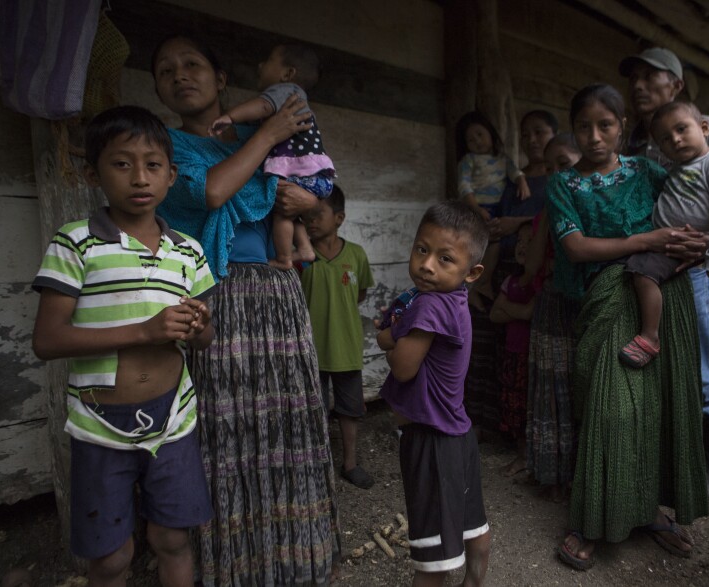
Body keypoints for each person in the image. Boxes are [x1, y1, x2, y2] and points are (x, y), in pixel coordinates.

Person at [151, 35, 340, 585]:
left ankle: (293, 556)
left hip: (275, 293)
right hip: (215, 297)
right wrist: (268, 133)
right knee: (223, 433)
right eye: (165, 71)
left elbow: (311, 189)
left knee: (285, 425)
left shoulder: (267, 137)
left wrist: (313, 203)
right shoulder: (165, 147)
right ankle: (232, 565)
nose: (180, 75)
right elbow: (212, 192)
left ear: (221, 78)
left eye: (192, 64)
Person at [31, 105, 216, 586]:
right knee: (111, 559)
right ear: (93, 172)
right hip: (100, 426)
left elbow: (205, 337)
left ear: (171, 176)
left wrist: (199, 328)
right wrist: (143, 332)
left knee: (173, 540)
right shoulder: (76, 244)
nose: (140, 177)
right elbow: (47, 341)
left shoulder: (188, 251)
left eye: (153, 165)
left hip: (175, 419)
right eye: (121, 163)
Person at [549, 84, 709, 570]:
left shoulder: (648, 170)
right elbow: (575, 248)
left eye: (606, 125)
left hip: (664, 293)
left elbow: (693, 209)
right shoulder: (564, 184)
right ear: (573, 129)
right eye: (584, 126)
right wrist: (646, 239)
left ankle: (650, 510)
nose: (595, 136)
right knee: (610, 409)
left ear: (621, 127)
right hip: (605, 297)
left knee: (661, 406)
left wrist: (699, 243)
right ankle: (592, 518)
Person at [620, 46, 709, 499]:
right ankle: (673, 464)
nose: (640, 86)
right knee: (667, 364)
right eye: (635, 79)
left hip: (696, 269)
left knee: (705, 366)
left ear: (678, 86)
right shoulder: (637, 141)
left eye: (652, 77)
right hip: (657, 264)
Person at [377, 201, 492, 586]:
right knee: (471, 522)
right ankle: (475, 582)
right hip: (457, 433)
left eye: (445, 259)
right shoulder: (451, 298)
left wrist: (390, 336)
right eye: (422, 250)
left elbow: (402, 366)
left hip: (431, 441)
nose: (427, 265)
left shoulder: (428, 305)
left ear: (472, 272)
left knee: (432, 556)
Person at [620, 101, 709, 368]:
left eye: (682, 129)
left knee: (642, 274)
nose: (675, 139)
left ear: (704, 128)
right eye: (665, 139)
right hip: (666, 245)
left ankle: (649, 337)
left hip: (683, 248)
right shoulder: (679, 168)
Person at [464, 110, 557, 435]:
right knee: (488, 345)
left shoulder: (557, 177)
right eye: (526, 134)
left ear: (554, 135)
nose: (532, 140)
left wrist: (514, 223)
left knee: (521, 353)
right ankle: (485, 421)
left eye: (540, 133)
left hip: (532, 273)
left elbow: (546, 220)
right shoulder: (510, 177)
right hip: (499, 264)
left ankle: (521, 432)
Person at [209, 43, 335, 270]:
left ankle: (285, 258)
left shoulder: (286, 92)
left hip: (299, 173)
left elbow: (263, 106)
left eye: (268, 61)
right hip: (318, 176)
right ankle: (305, 248)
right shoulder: (299, 99)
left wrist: (230, 116)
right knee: (291, 210)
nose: (260, 66)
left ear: (287, 74)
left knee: (282, 214)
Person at [299, 185, 375, 489]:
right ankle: (314, 465)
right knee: (312, 408)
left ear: (339, 218)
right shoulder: (301, 256)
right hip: (310, 348)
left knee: (349, 409)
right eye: (306, 217)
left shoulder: (356, 254)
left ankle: (350, 463)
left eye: (318, 215)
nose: (311, 222)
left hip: (346, 347)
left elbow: (360, 293)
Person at [523, 134, 581, 502]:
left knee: (568, 390)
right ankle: (558, 475)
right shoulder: (551, 210)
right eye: (549, 168)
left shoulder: (570, 210)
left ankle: (567, 475)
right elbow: (530, 268)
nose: (556, 174)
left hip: (576, 306)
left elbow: (532, 268)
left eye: (565, 164)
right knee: (557, 389)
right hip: (559, 307)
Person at [455, 111, 529, 309]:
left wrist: (522, 181)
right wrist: (477, 208)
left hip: (499, 208)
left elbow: (515, 172)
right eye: (471, 139)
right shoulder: (469, 160)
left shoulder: (503, 159)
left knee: (494, 242)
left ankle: (481, 284)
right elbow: (465, 187)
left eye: (480, 134)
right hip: (477, 207)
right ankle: (473, 287)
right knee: (474, 247)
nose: (477, 141)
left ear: (491, 134)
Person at [489, 223, 536, 477]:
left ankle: (529, 457)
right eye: (519, 241)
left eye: (530, 242)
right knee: (513, 407)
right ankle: (521, 455)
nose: (522, 246)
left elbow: (529, 312)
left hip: (529, 356)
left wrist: (510, 308)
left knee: (528, 405)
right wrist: (516, 311)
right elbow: (495, 315)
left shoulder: (538, 284)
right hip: (511, 353)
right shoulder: (511, 280)